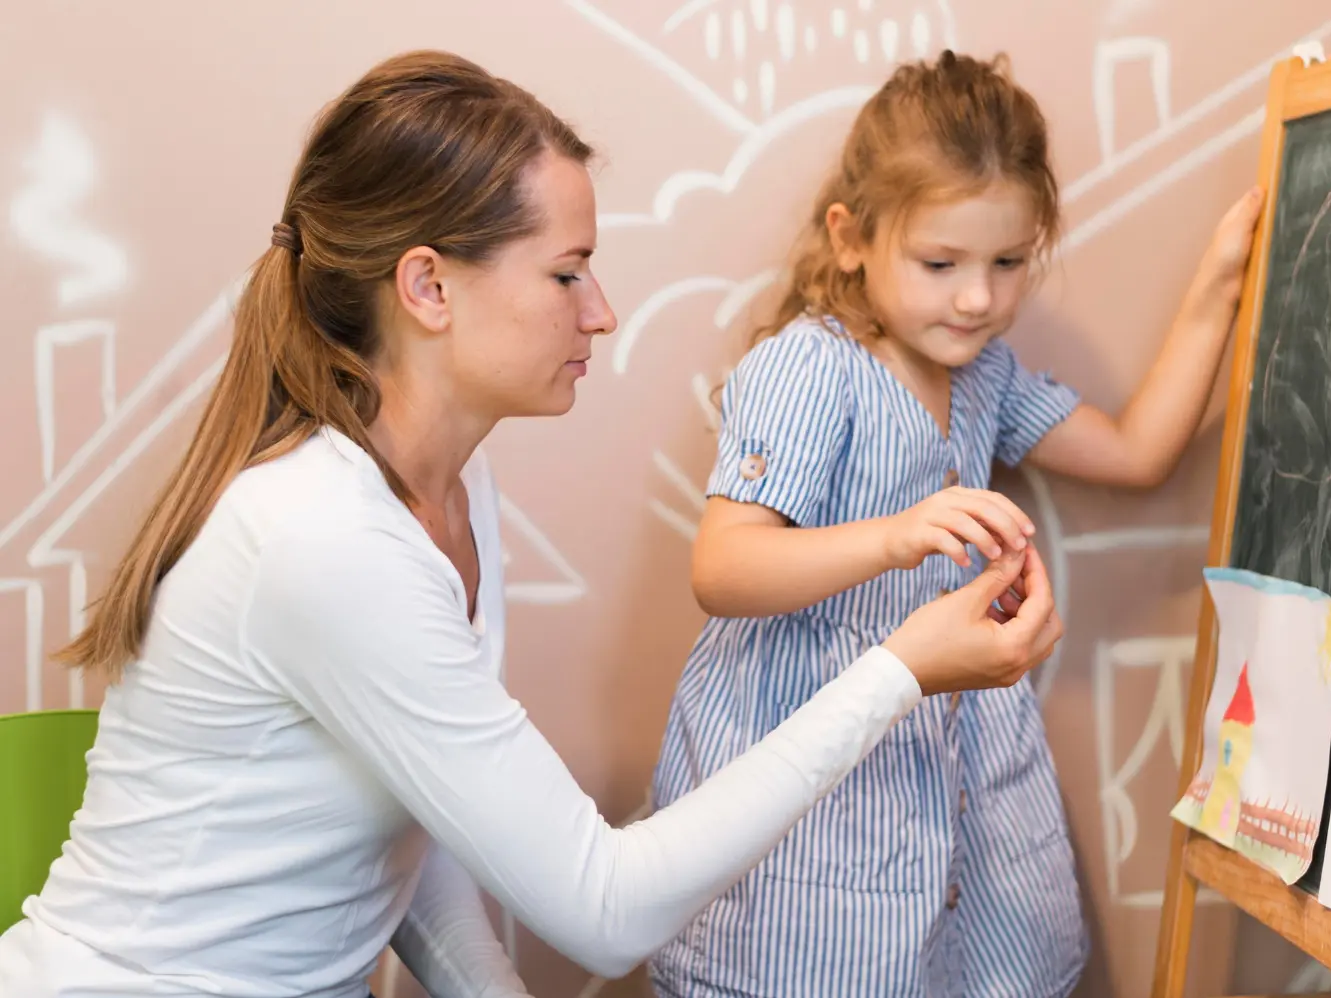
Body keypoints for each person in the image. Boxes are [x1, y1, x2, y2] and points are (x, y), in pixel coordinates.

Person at [0, 50, 1066, 998]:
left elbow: (420, 820)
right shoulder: (321, 540)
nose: (601, 310)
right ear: (428, 287)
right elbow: (608, 908)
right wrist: (899, 671)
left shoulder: (453, 491)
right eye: (566, 273)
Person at [649, 50, 1263, 998]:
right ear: (852, 238)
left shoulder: (984, 376)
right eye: (940, 264)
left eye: (1008, 263)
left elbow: (1139, 453)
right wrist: (896, 534)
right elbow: (724, 567)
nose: (978, 298)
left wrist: (1221, 283)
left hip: (956, 761)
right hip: (822, 769)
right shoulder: (813, 367)